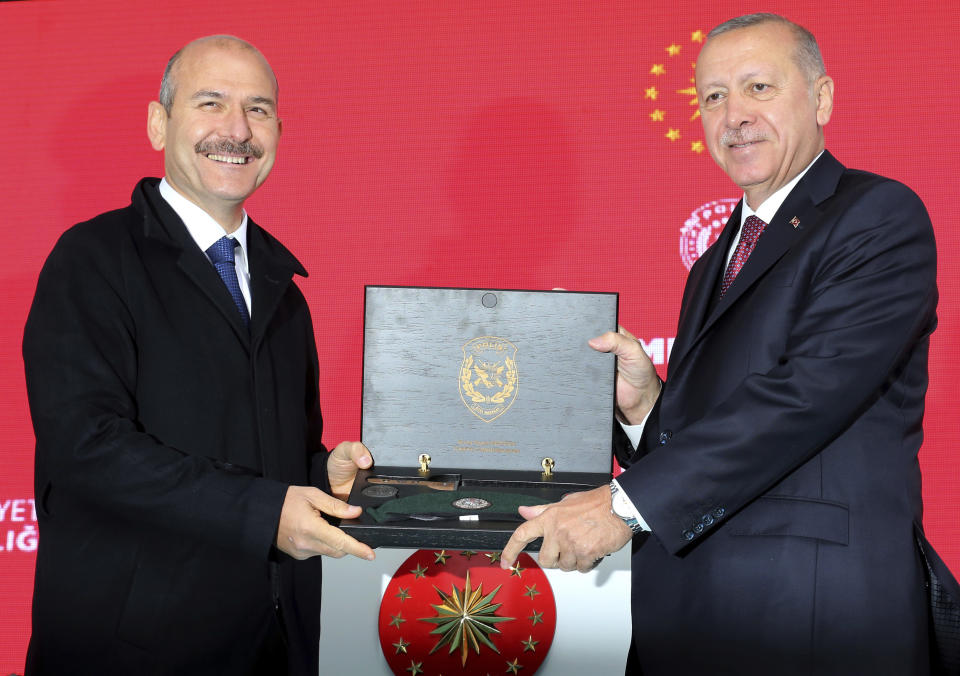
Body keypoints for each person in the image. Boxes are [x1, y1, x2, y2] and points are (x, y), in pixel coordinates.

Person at [502, 13, 957, 675]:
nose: (734, 115)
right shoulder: (716, 260)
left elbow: (804, 398)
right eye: (714, 97)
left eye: (759, 88)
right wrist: (647, 406)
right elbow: (716, 427)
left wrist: (622, 507)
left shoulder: (878, 217)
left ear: (822, 98)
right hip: (698, 616)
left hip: (812, 619)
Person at [22, 35, 375, 675]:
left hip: (272, 647)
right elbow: (86, 446)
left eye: (259, 110)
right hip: (126, 652)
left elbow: (274, 457)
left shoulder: (281, 288)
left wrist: (327, 478)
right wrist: (264, 513)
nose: (236, 130)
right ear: (160, 124)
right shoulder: (92, 259)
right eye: (210, 103)